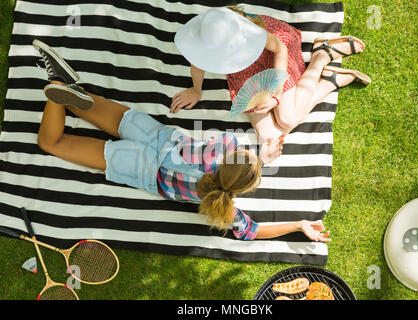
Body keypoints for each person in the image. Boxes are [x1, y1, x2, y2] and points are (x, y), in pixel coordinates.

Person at [32, 40, 331, 243]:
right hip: (143, 167)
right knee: (54, 143)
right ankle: (58, 90)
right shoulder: (222, 207)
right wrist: (298, 225)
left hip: (154, 134)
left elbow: (241, 158)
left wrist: (261, 157)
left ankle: (66, 89)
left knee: (85, 104)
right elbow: (252, 231)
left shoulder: (225, 145)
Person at [171, 7, 371, 142]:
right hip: (244, 75)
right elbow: (197, 65)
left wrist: (275, 93)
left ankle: (319, 63)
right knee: (270, 138)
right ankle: (327, 77)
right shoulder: (205, 39)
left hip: (273, 57)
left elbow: (280, 50)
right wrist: (196, 90)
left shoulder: (250, 29)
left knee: (287, 119)